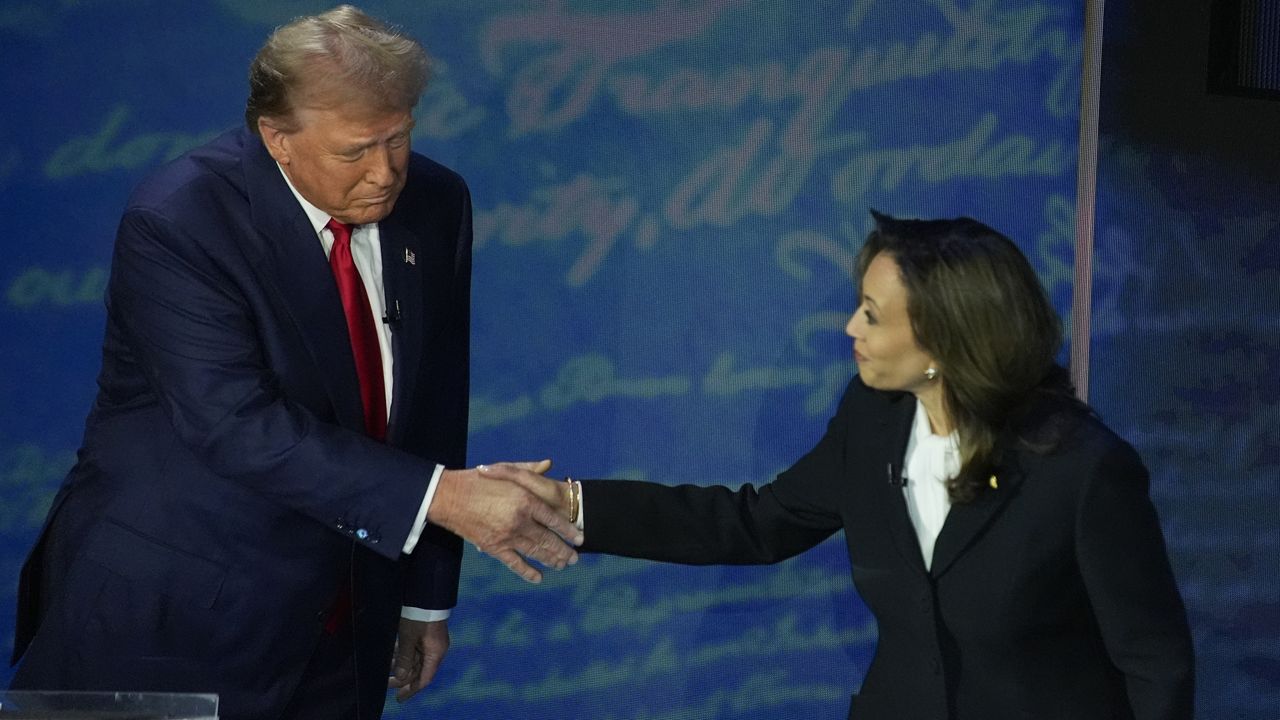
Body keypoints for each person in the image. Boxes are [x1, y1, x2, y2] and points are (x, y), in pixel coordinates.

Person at [8, 6, 580, 720]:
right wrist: (444, 500)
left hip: (345, 623)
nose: (385, 172)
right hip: (175, 619)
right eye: (355, 151)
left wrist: (423, 599)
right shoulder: (181, 220)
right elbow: (234, 423)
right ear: (276, 138)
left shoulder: (436, 201)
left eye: (398, 139)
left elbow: (432, 402)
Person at [483, 212, 1196, 719]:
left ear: (945, 341)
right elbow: (755, 524)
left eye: (871, 315)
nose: (850, 330)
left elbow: (1154, 662)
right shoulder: (874, 417)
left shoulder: (1082, 470)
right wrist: (570, 503)